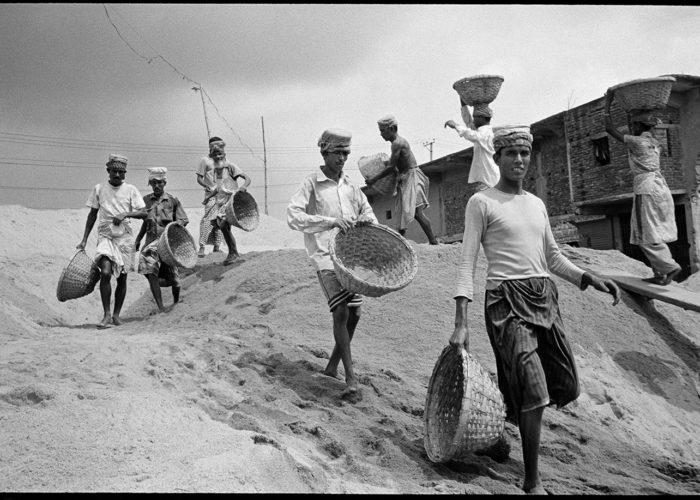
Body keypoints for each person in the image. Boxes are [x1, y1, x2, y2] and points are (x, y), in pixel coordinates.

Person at [450, 126, 621, 494]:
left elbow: (553, 257)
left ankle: (498, 419)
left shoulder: (536, 204)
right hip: (505, 302)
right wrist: (461, 322)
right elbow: (467, 263)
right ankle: (532, 480)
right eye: (511, 153)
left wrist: (588, 277)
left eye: (525, 154)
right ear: (497, 158)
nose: (519, 160)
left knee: (567, 384)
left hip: (544, 297)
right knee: (534, 388)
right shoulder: (482, 202)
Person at [287, 128, 378, 399]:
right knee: (340, 312)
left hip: (349, 258)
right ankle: (351, 379)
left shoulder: (351, 187)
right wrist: (329, 222)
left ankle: (331, 366)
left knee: (355, 315)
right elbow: (294, 216)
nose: (342, 158)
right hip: (324, 256)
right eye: (337, 153)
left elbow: (370, 214)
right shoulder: (312, 184)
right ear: (324, 152)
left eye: (346, 153)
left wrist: (366, 222)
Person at [604, 91, 682, 285]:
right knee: (651, 229)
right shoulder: (655, 143)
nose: (631, 127)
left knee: (643, 232)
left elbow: (609, 129)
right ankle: (660, 274)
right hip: (659, 187)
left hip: (646, 188)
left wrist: (607, 105)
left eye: (633, 124)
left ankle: (668, 266)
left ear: (638, 126)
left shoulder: (637, 142)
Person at [77, 154, 147, 328]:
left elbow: (144, 213)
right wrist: (84, 239)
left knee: (122, 277)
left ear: (124, 173)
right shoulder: (99, 189)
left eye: (121, 172)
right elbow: (92, 214)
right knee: (106, 272)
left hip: (124, 235)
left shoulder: (131, 189)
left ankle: (116, 315)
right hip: (106, 234)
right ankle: (106, 314)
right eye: (114, 171)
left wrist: (126, 214)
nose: (117, 175)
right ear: (108, 171)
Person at [366, 114, 438, 245]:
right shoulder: (395, 144)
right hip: (405, 178)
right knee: (401, 214)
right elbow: (395, 165)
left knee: (416, 212)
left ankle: (433, 241)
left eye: (383, 130)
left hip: (412, 177)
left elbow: (391, 167)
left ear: (392, 128)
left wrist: (374, 179)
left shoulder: (398, 143)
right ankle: (400, 244)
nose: (381, 134)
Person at [134, 167, 189, 313]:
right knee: (150, 271)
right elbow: (145, 222)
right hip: (151, 243)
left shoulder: (172, 200)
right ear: (150, 184)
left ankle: (176, 304)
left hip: (167, 245)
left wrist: (177, 225)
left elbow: (183, 219)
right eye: (153, 183)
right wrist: (138, 240)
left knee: (175, 282)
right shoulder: (145, 201)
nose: (156, 185)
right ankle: (161, 307)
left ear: (164, 183)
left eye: (159, 182)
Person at [200, 137, 252, 265]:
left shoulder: (230, 167)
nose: (218, 156)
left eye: (220, 154)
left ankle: (233, 252)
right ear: (211, 156)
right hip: (219, 201)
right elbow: (215, 188)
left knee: (223, 225)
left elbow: (247, 178)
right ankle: (231, 252)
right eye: (215, 155)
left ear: (224, 154)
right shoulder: (213, 170)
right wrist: (208, 195)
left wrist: (243, 186)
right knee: (220, 225)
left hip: (229, 201)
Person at [444, 99, 500, 191]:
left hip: (490, 180)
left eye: (475, 117)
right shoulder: (481, 131)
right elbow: (469, 123)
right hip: (484, 180)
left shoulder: (487, 133)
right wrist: (463, 101)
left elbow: (472, 135)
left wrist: (456, 126)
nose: (474, 120)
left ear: (482, 118)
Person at [195, 136, 226, 257]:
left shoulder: (222, 160)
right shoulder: (205, 160)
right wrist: (206, 186)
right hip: (211, 196)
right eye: (214, 146)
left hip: (222, 196)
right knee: (207, 220)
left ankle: (217, 247)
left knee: (220, 221)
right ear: (210, 147)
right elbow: (199, 178)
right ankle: (202, 247)